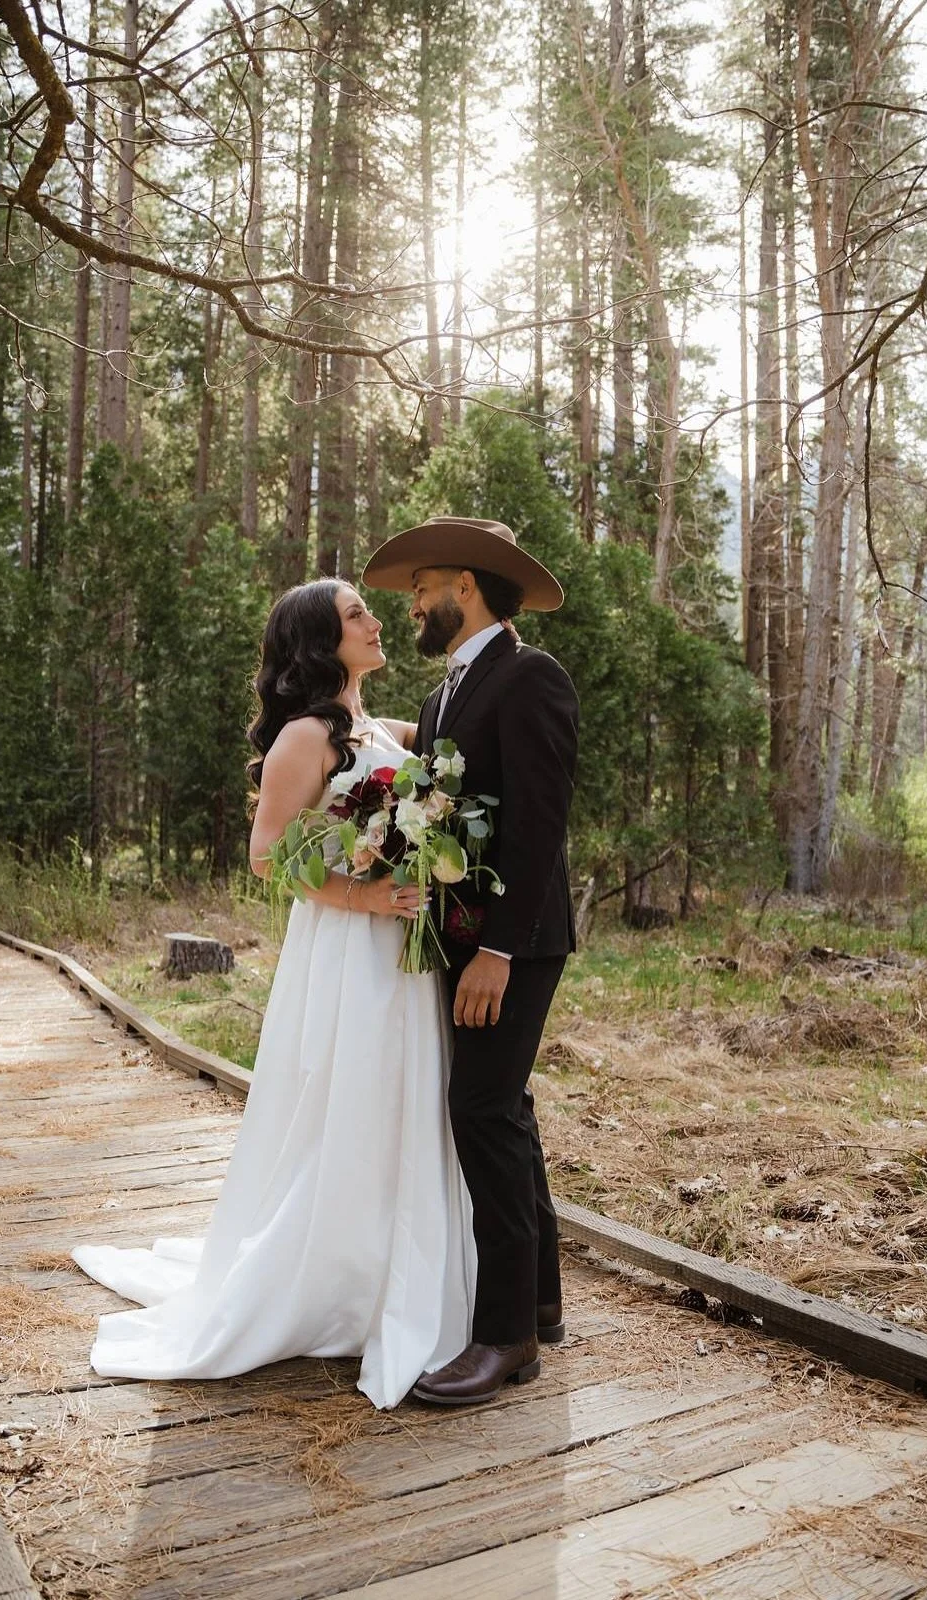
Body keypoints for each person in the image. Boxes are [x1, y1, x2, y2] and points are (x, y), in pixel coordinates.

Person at [71, 579, 475, 1410]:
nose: (375, 621)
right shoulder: (305, 735)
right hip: (348, 949)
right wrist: (366, 895)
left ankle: (393, 1267)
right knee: (349, 1098)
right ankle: (333, 1278)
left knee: (402, 1100)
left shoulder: (377, 728)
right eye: (356, 613)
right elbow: (266, 857)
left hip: (403, 950)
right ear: (322, 641)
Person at [362, 516, 578, 1406]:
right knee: (505, 1105)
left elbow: (539, 825)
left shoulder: (532, 677)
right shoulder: (445, 694)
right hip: (461, 936)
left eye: (422, 587)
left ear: (468, 586)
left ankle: (504, 1338)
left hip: (513, 943)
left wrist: (496, 949)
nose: (412, 603)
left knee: (480, 1110)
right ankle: (542, 1300)